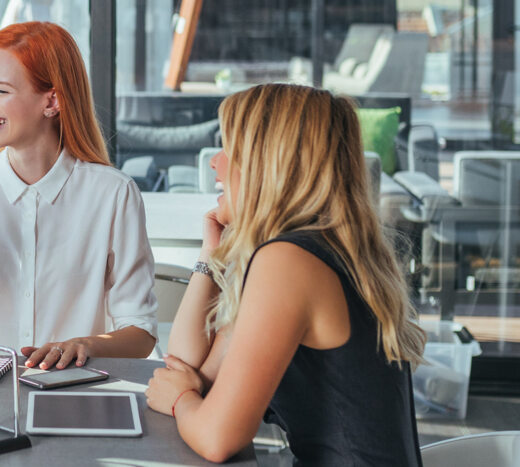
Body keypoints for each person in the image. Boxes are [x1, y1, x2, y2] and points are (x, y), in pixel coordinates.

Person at [145, 83, 425, 464]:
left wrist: (180, 400)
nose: (216, 162)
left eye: (230, 149)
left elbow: (216, 437)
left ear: (267, 164)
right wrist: (211, 256)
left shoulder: (289, 263)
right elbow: (188, 366)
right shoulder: (309, 251)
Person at [0, 21, 157, 368]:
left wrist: (84, 345)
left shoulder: (114, 194)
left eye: (1, 90)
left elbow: (140, 332)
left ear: (51, 101)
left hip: (74, 399)